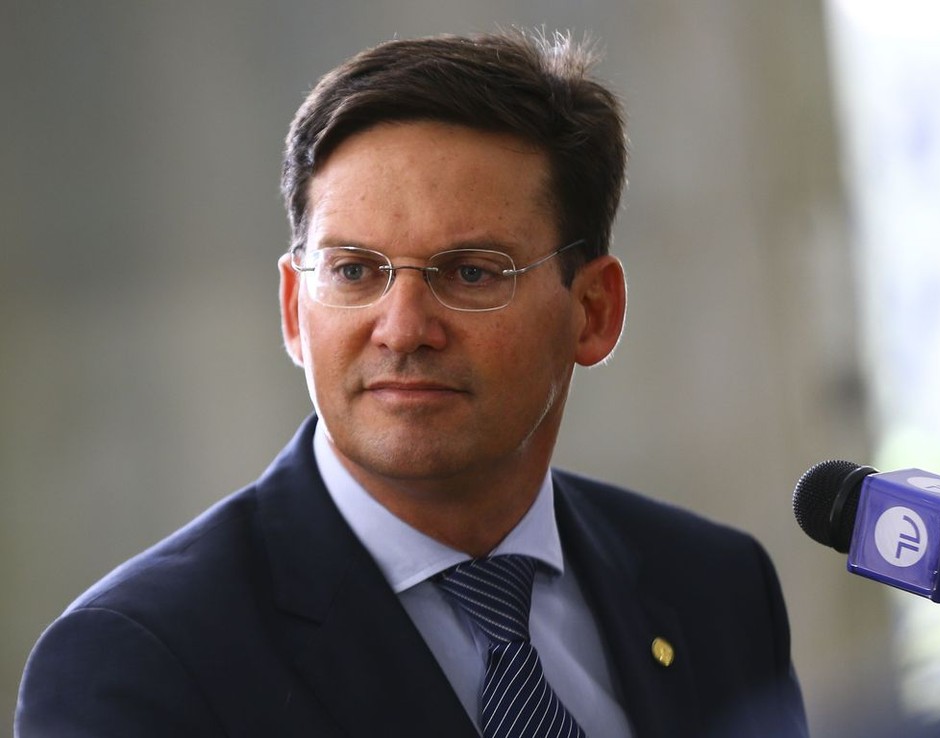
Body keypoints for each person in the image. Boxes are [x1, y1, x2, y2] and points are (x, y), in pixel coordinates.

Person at [16, 30, 808, 737]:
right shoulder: (139, 662)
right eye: (355, 271)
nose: (403, 328)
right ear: (296, 310)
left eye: (469, 271)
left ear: (593, 311)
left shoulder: (716, 588)